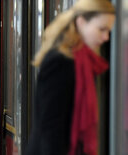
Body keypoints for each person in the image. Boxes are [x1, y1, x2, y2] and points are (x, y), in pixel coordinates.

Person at [25, 0, 115, 155]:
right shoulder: (60, 61)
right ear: (80, 22)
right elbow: (50, 128)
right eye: (102, 29)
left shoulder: (85, 63)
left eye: (108, 31)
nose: (106, 37)